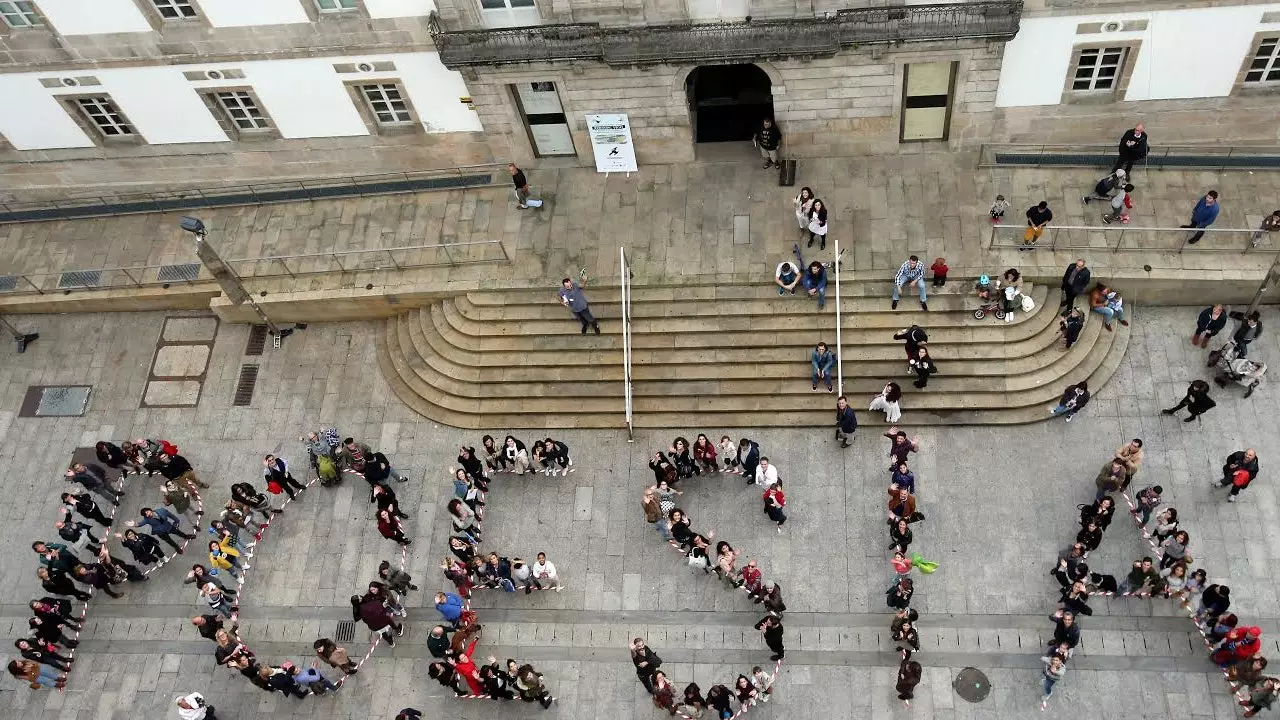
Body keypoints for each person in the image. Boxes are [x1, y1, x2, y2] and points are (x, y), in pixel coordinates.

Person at [130, 506, 197, 550]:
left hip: (168, 526)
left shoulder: (161, 510)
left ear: (150, 510)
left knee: (178, 532)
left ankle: (186, 536)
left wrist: (176, 520)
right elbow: (140, 524)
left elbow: (170, 515)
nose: (147, 514)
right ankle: (176, 547)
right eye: (146, 514)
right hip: (160, 532)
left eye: (147, 512)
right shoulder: (147, 519)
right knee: (169, 540)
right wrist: (134, 524)